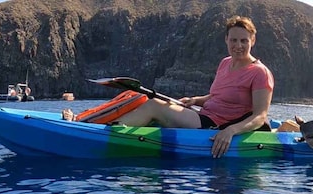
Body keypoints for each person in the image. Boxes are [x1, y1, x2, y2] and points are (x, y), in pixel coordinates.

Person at [68, 16, 274, 158]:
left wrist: (230, 131)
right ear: (226, 39)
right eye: (234, 40)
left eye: (244, 41)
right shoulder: (225, 62)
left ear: (252, 41)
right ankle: (96, 121)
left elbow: (260, 116)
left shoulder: (259, 72)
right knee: (145, 100)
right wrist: (196, 100)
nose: (238, 45)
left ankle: (105, 135)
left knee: (154, 106)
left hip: (215, 124)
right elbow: (218, 95)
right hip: (204, 113)